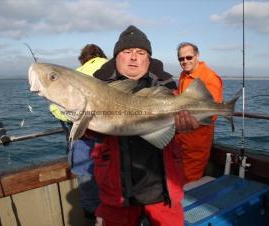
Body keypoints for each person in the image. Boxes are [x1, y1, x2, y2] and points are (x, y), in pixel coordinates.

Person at [91, 25, 198, 226]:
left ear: (148, 59)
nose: (134, 57)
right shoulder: (97, 86)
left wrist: (185, 125)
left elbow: (183, 121)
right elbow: (86, 133)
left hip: (164, 189)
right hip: (117, 193)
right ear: (116, 58)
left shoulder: (166, 86)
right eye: (127, 52)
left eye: (140, 53)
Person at [49, 44, 108, 222]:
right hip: (111, 140)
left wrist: (66, 114)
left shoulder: (74, 74)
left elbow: (57, 108)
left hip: (85, 141)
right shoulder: (113, 68)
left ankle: (94, 217)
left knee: (88, 181)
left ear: (83, 59)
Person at [175, 42, 223, 183]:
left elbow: (211, 112)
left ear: (197, 56)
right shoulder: (184, 75)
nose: (185, 61)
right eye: (181, 59)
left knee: (189, 181)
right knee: (176, 179)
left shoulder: (209, 78)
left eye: (189, 57)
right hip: (179, 139)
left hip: (196, 143)